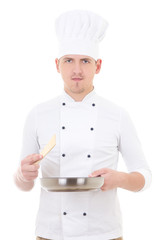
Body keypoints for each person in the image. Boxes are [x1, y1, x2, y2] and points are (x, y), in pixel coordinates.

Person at [14, 10, 151, 240]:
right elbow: (24, 184)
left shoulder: (117, 115)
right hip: (50, 234)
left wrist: (121, 179)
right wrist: (22, 174)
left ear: (97, 66)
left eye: (85, 61)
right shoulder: (37, 114)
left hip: (105, 234)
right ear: (57, 65)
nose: (77, 70)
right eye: (69, 60)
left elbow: (145, 177)